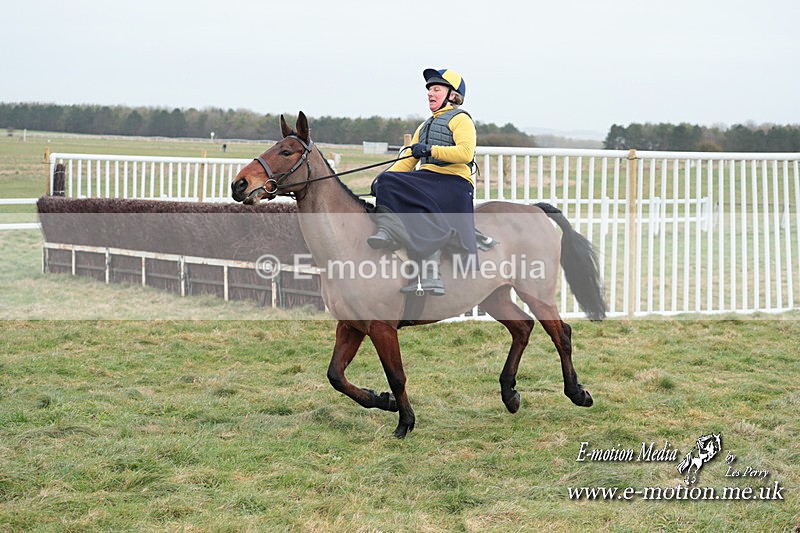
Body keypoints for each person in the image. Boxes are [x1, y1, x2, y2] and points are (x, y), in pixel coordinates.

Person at [368, 68, 477, 296]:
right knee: (388, 180)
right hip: (428, 181)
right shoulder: (424, 126)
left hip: (454, 183)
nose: (430, 93)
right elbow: (407, 162)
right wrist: (381, 180)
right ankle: (389, 230)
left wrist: (430, 150)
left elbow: (466, 153)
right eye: (429, 89)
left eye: (436, 89)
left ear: (452, 95)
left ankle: (429, 266)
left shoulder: (461, 120)